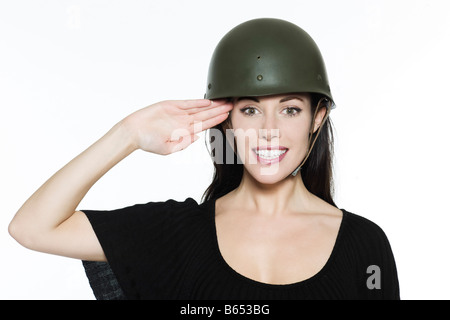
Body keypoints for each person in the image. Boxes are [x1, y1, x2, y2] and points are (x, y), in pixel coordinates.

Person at [9, 18, 400, 299]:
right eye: (249, 110)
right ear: (225, 119)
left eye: (290, 109)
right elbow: (32, 228)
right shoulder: (177, 233)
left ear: (317, 118)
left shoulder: (364, 246)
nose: (268, 129)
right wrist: (126, 134)